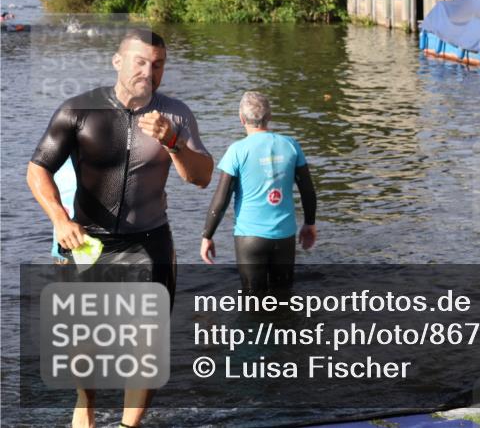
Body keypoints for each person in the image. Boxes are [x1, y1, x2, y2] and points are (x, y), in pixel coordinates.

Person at [27, 28, 214, 428]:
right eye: (140, 62)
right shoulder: (79, 110)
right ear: (118, 61)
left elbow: (201, 177)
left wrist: (174, 142)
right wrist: (59, 219)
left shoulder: (176, 115)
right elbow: (37, 168)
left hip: (149, 240)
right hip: (87, 243)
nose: (149, 72)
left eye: (158, 64)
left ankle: (130, 426)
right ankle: (86, 403)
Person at [201, 91, 318, 295]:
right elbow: (307, 190)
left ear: (241, 119)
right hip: (284, 236)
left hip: (250, 239)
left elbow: (222, 198)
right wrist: (309, 223)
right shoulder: (291, 145)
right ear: (269, 117)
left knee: (252, 301)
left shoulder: (237, 151)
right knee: (283, 297)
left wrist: (207, 236)